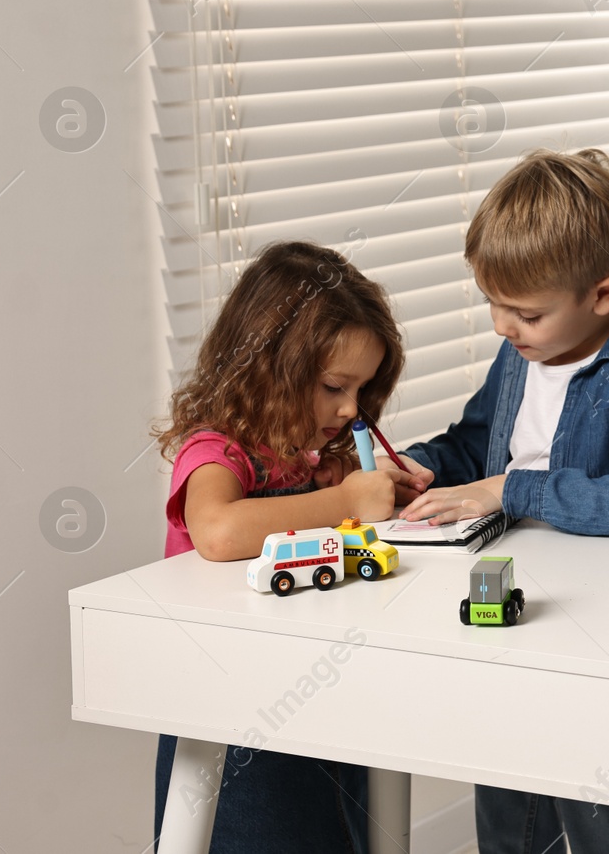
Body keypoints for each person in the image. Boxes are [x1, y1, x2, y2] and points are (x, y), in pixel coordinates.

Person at [395, 147, 609, 854]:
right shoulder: (519, 354)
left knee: (605, 803)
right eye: (493, 304)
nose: (503, 326)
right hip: (516, 601)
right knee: (508, 790)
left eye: (523, 311)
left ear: (601, 294)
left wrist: (514, 489)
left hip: (606, 621)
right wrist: (423, 467)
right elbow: (477, 443)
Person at [152, 240, 431, 852]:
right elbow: (220, 532)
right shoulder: (215, 452)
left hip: (309, 688)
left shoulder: (305, 460)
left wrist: (377, 493)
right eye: (335, 385)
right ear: (267, 368)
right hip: (231, 709)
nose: (351, 408)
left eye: (361, 390)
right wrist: (343, 504)